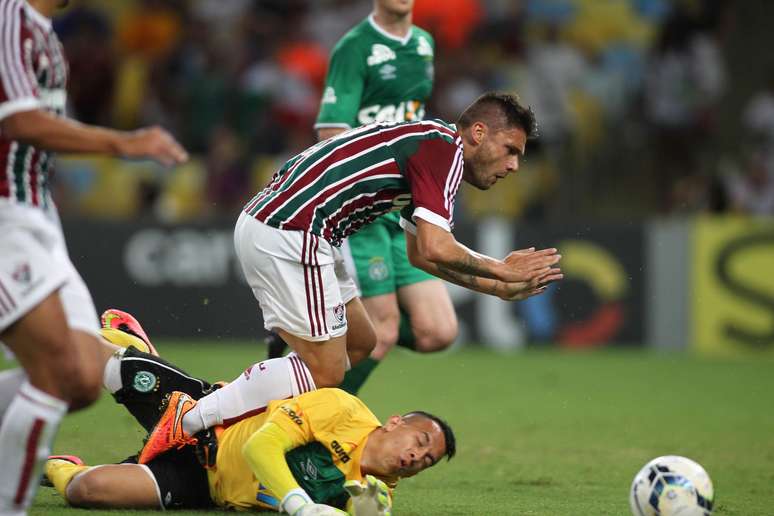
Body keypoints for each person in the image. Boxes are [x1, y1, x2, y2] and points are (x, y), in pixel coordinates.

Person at [139, 91, 562, 465]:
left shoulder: (431, 144)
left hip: (301, 229)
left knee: (363, 341)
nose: (514, 165)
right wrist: (502, 269)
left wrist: (496, 288)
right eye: (511, 150)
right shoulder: (443, 149)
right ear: (479, 133)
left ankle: (238, 405)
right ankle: (191, 418)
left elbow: (419, 255)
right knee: (326, 372)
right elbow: (436, 246)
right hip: (293, 231)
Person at [0, 0, 187, 513]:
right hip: (5, 216)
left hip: (36, 217)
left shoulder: (44, 31)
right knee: (57, 372)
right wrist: (123, 142)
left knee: (83, 378)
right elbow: (20, 122)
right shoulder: (10, 17)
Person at [44, 322, 455, 514]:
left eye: (427, 461)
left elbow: (359, 510)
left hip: (205, 486)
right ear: (396, 422)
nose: (417, 458)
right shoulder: (342, 410)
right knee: (98, 362)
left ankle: (56, 466)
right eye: (420, 443)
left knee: (86, 491)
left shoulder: (375, 494)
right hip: (207, 424)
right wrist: (300, 505)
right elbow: (262, 445)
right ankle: (132, 346)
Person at [267, 0, 459, 397]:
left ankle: (310, 334)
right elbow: (331, 133)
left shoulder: (423, 43)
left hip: (405, 206)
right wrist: (370, 180)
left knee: (438, 331)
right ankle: (318, 422)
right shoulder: (354, 47)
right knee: (382, 331)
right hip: (367, 208)